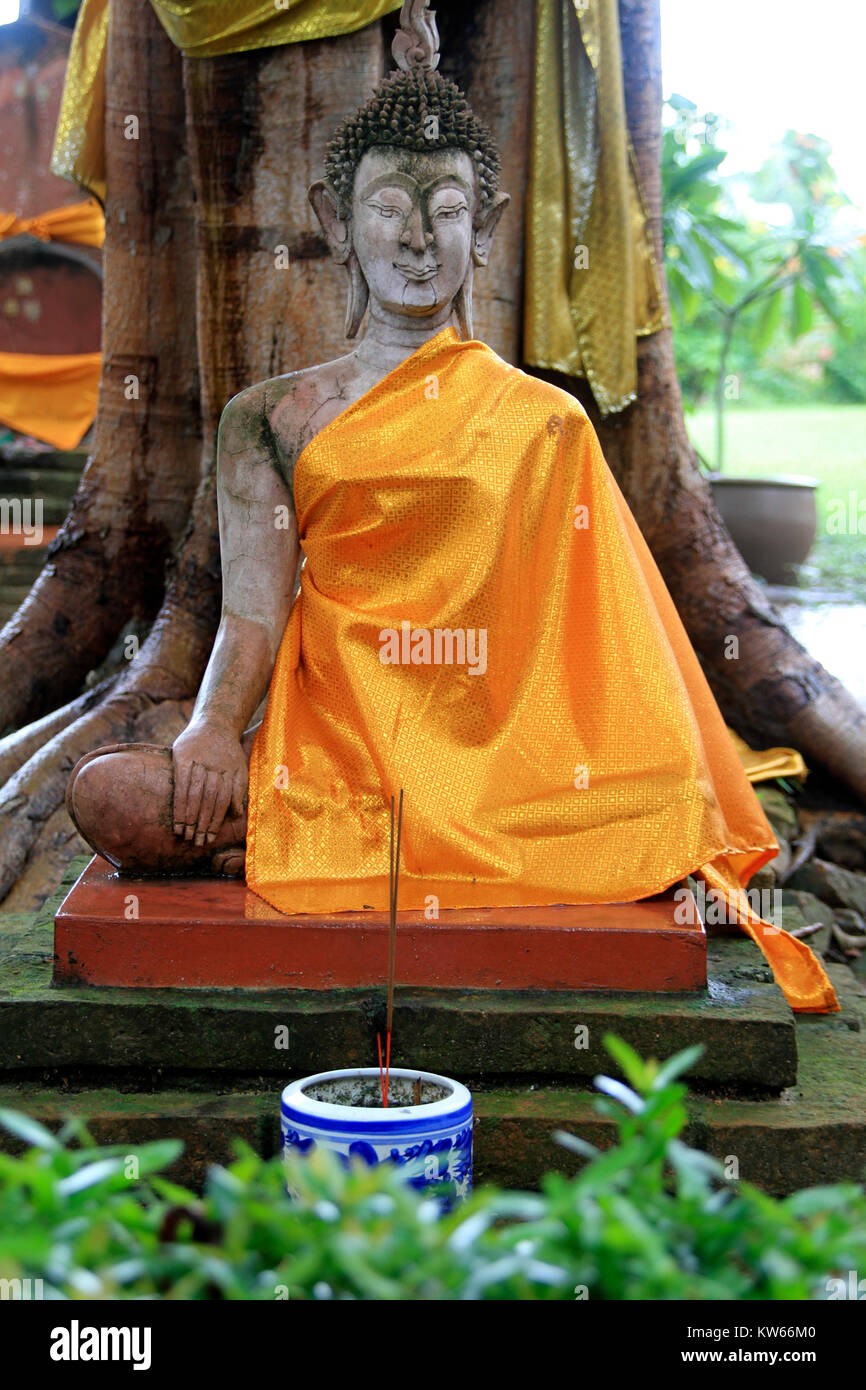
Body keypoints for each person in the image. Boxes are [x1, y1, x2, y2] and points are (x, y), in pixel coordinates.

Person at [67, 0, 837, 1013]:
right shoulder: (270, 418)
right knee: (107, 795)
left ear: (486, 226)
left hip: (500, 767)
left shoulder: (544, 421)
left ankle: (348, 855)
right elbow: (251, 617)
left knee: (653, 812)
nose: (418, 236)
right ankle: (356, 842)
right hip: (329, 755)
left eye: (446, 206)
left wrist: (633, 777)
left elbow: (600, 649)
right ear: (334, 218)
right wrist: (213, 727)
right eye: (389, 202)